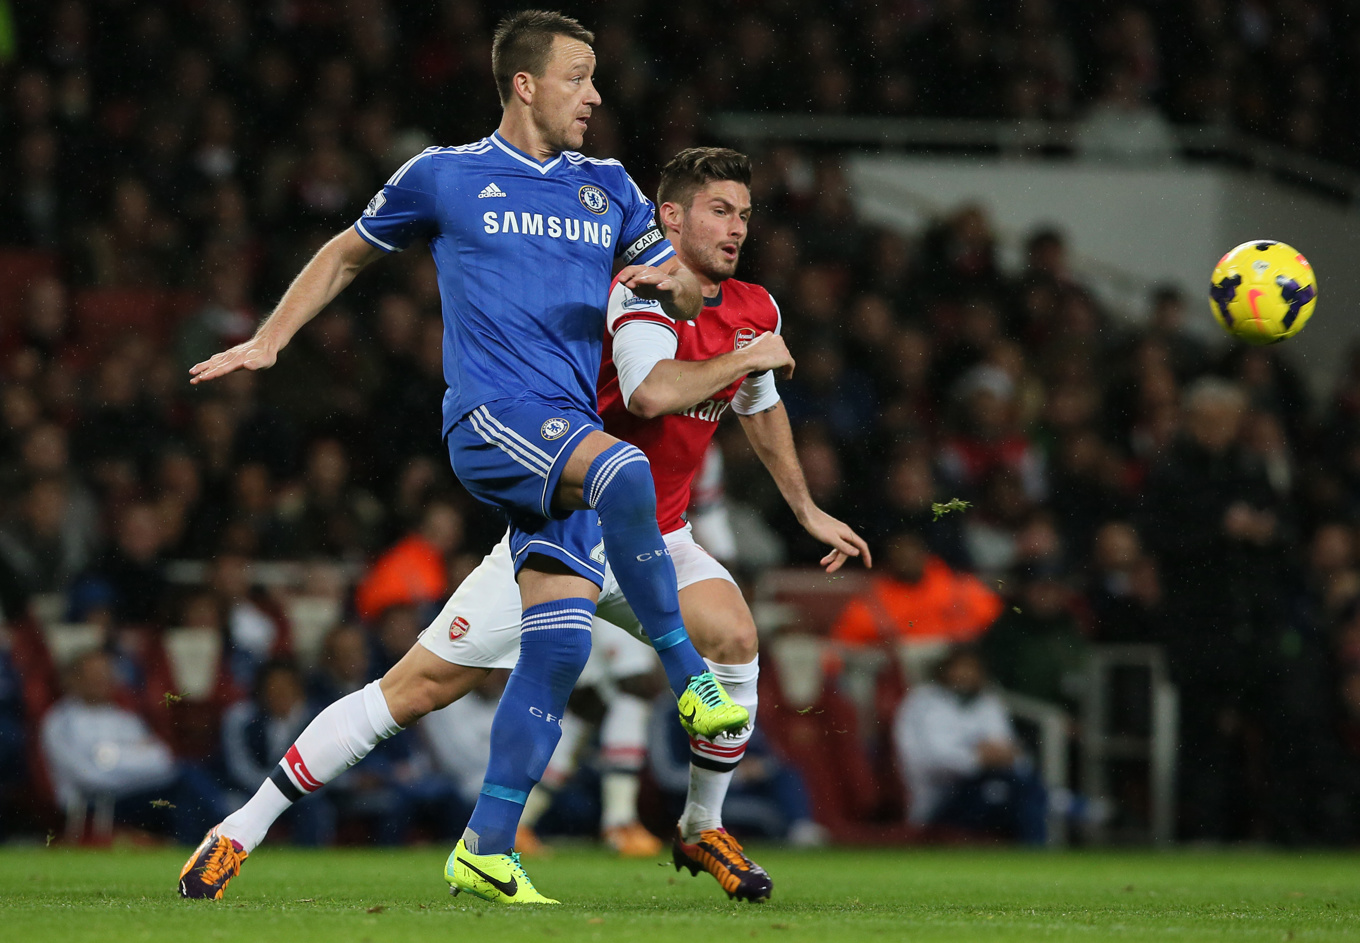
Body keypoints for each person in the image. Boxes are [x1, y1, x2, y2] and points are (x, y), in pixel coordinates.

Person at [181, 143, 868, 903]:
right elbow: (648, 394)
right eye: (719, 211)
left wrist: (804, 506)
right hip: (568, 526)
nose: (737, 227)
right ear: (669, 217)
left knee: (737, 635)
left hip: (660, 538)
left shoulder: (754, 309)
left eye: (744, 213)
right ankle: (240, 827)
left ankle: (701, 825)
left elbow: (759, 409)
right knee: (414, 691)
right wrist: (745, 361)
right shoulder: (635, 291)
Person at [894, 647, 1046, 844]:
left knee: (1022, 787)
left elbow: (1010, 753)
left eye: (972, 669)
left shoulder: (988, 703)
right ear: (944, 669)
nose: (965, 675)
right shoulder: (923, 702)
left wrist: (999, 756)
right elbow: (933, 759)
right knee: (1003, 792)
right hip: (940, 796)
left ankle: (1034, 855)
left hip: (986, 785)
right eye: (960, 668)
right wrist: (979, 757)